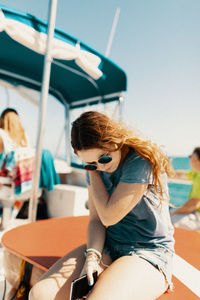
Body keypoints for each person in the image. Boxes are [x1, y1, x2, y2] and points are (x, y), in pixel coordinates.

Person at [29, 111, 175, 300]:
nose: (101, 166)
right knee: (40, 295)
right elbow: (96, 220)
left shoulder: (139, 161)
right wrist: (92, 257)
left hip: (149, 250)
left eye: (104, 158)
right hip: (110, 243)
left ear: (115, 140)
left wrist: (91, 171)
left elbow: (108, 216)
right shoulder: (96, 167)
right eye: (90, 163)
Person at [170, 147, 200, 231]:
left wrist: (173, 214)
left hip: (197, 214)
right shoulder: (196, 172)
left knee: (168, 221)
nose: (189, 158)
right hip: (194, 211)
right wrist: (168, 172)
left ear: (196, 158)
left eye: (191, 156)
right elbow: (182, 174)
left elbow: (193, 204)